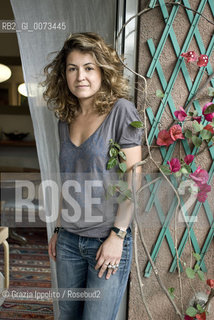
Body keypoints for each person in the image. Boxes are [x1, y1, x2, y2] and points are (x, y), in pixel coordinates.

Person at [43, 32, 142, 320]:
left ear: (103, 71)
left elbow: (132, 180)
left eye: (88, 68)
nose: (80, 76)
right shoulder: (66, 117)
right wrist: (60, 228)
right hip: (69, 242)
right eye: (72, 68)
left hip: (106, 241)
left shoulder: (121, 112)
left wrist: (118, 236)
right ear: (64, 75)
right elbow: (69, 180)